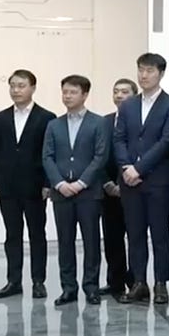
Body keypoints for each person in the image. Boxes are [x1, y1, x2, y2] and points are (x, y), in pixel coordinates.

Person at [113, 52, 169, 305]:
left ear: (161, 74)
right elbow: (119, 138)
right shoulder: (128, 105)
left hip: (158, 179)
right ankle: (139, 282)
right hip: (129, 179)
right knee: (134, 232)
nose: (144, 75)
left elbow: (166, 141)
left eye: (150, 70)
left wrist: (139, 169)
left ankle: (161, 282)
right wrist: (126, 167)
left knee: (160, 232)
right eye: (141, 70)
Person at [0, 69, 56, 300]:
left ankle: (38, 281)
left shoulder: (47, 117)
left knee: (37, 235)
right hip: (7, 188)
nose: (16, 90)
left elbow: (50, 153)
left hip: (35, 187)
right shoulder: (0, 118)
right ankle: (13, 281)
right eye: (13, 86)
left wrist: (48, 182)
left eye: (21, 86)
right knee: (12, 236)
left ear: (33, 88)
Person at [42, 75, 108, 306]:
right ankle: (68, 288)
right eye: (65, 92)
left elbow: (100, 156)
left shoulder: (98, 123)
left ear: (85, 95)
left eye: (73, 92)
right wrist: (60, 183)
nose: (67, 96)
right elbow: (47, 157)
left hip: (89, 193)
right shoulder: (54, 124)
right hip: (61, 193)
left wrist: (81, 183)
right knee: (65, 242)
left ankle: (91, 287)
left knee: (91, 242)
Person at [100, 79, 137, 298]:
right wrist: (107, 183)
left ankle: (135, 282)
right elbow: (98, 155)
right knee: (112, 238)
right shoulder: (104, 122)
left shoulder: (140, 121)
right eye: (116, 91)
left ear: (135, 95)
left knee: (135, 238)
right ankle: (115, 282)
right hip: (108, 190)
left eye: (125, 92)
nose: (119, 95)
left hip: (134, 187)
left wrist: (126, 181)